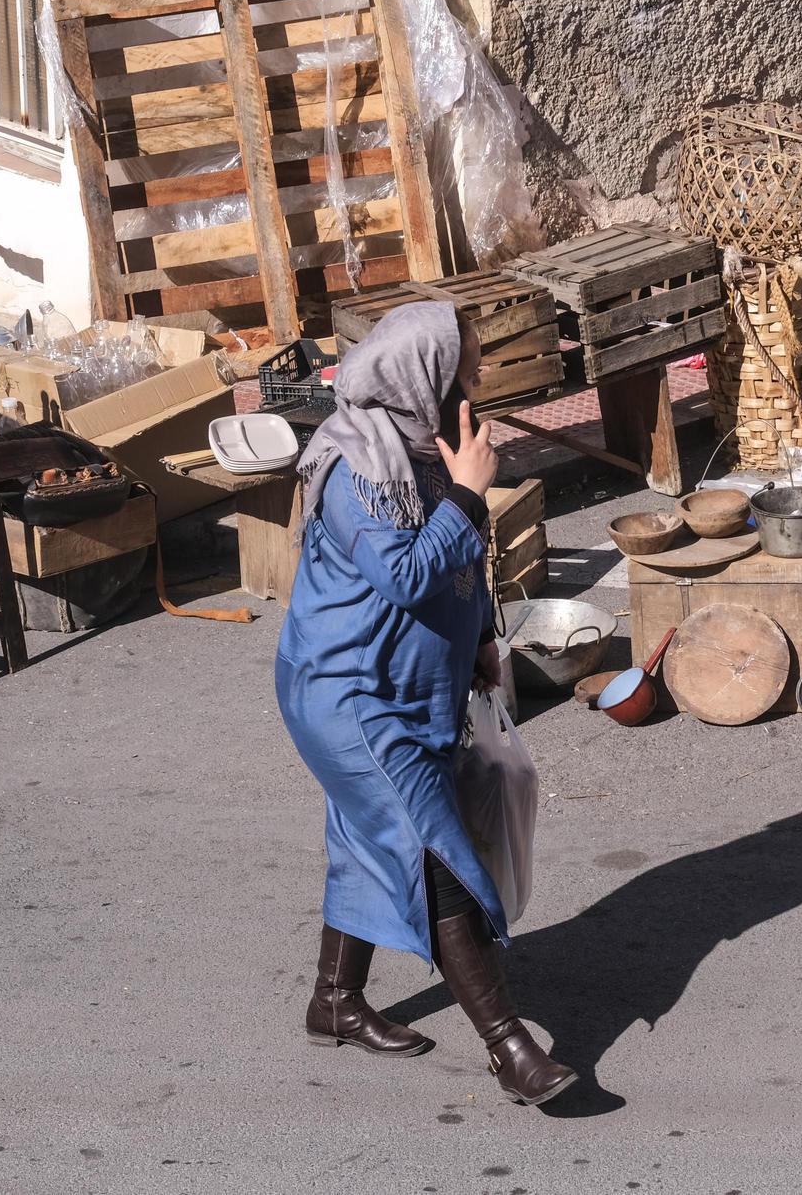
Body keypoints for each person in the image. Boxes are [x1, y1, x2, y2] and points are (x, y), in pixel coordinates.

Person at [274, 299, 575, 1107]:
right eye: (466, 371)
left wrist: (479, 636)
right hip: (349, 697)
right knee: (431, 856)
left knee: (367, 835)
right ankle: (513, 1051)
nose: (476, 383)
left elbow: (460, 567)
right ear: (424, 380)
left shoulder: (425, 448)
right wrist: (472, 496)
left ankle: (333, 999)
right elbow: (408, 572)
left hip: (412, 693)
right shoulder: (353, 467)